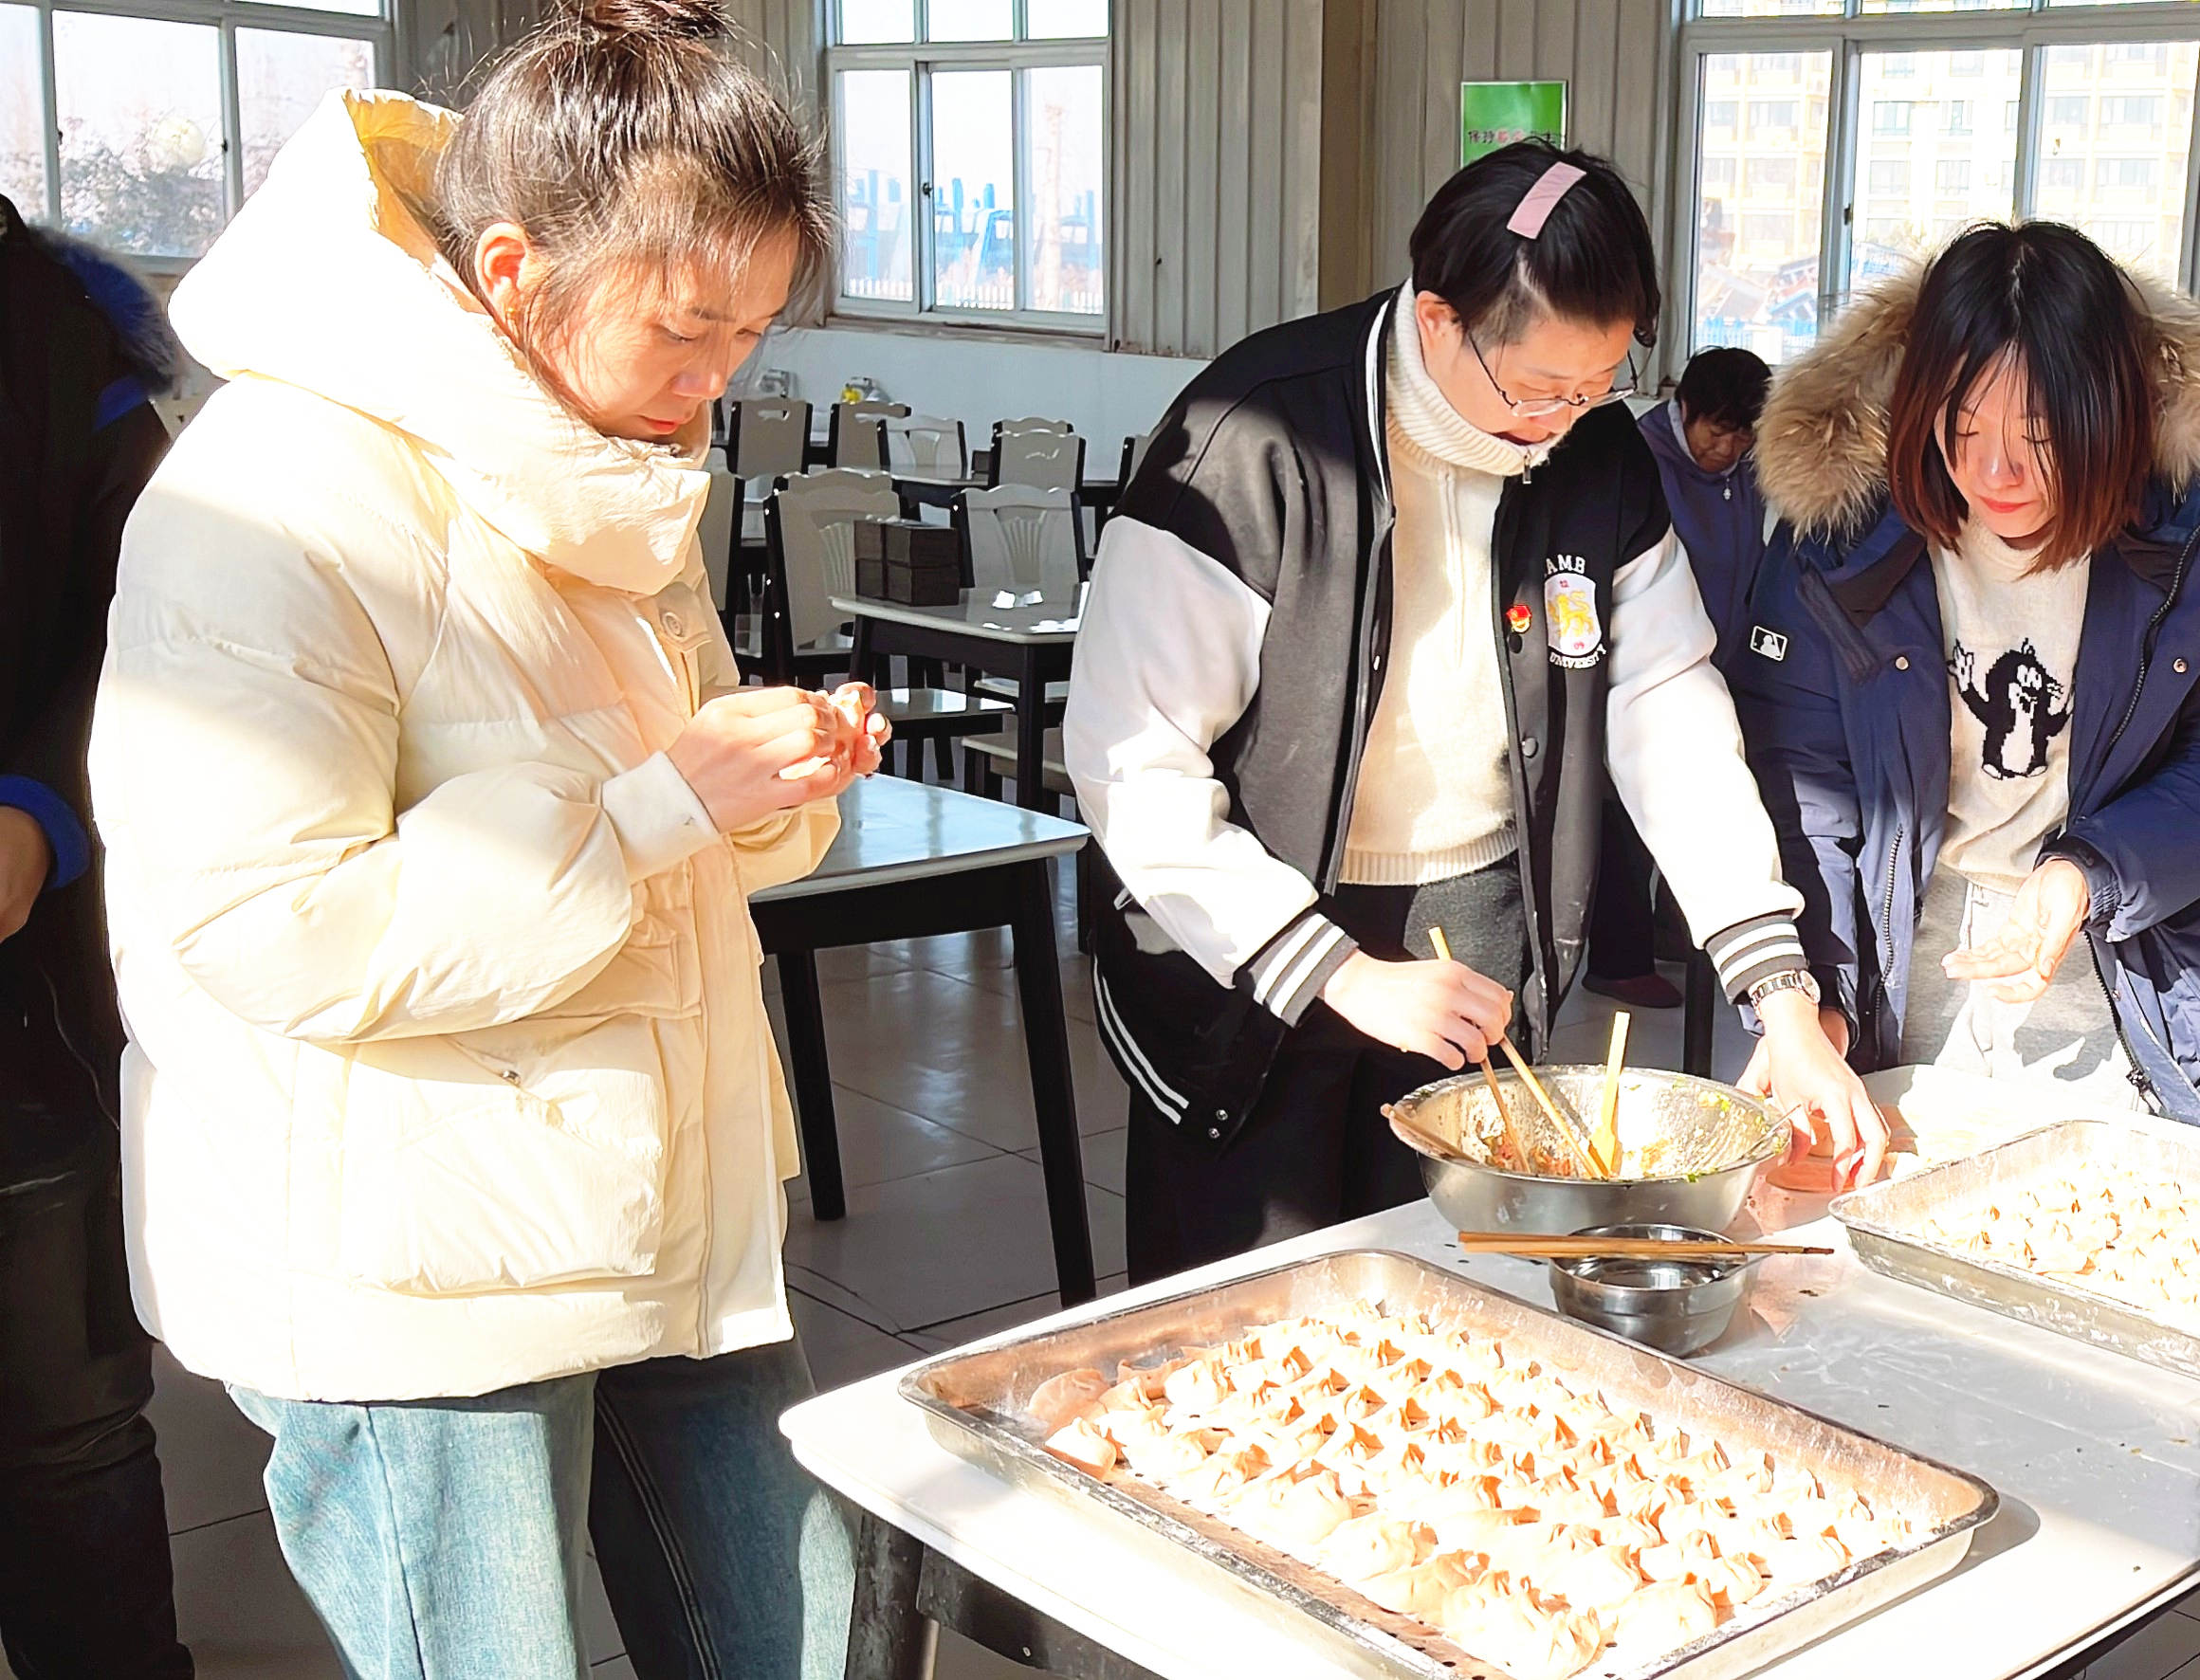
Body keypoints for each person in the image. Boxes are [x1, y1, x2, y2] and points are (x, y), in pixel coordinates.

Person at [89, 4, 884, 1670]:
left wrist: (763, 782)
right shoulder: (273, 497)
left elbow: (672, 810)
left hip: (657, 1189)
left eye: (751, 331)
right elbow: (275, 924)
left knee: (804, 1636)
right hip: (413, 1273)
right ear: (515, 271)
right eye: (687, 327)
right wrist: (663, 802)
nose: (718, 378)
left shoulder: (600, 453)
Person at [1071, 140, 1882, 1277]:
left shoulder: (1598, 459)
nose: (1561, 422)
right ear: (1440, 319)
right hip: (1252, 939)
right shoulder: (1254, 436)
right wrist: (1342, 972)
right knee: (1260, 1297)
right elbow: (1134, 762)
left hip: (1476, 928)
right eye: (1538, 388)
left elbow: (1668, 713)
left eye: (1596, 388)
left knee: (1463, 1279)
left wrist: (1779, 993)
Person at [1736, 221, 2200, 1123]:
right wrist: (1819, 993)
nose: (1994, 471)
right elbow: (1803, 784)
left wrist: (2090, 871)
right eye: (1961, 426)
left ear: (2108, 413)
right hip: (1902, 945)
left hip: (2125, 952)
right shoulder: (1841, 535)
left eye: (2041, 434)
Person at [0, 193, 191, 1680]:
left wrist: (34, 814)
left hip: (26, 1010)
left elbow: (155, 633)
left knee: (63, 1425)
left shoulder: (62, 346)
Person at [1586, 345, 1777, 1013]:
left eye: (1743, 437)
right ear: (1684, 408)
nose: (1727, 449)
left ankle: (1680, 931)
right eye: (1716, 432)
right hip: (1643, 664)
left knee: (1708, 797)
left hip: (1720, 656)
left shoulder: (1743, 469)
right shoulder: (1640, 459)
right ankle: (1618, 960)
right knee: (1629, 814)